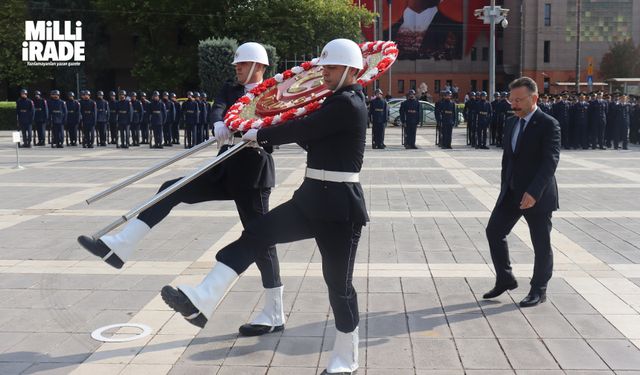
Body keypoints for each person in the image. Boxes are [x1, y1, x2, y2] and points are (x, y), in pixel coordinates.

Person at [161, 38, 367, 375]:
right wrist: (265, 118)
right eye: (324, 67)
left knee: (338, 285)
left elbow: (304, 128)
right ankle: (202, 298)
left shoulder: (348, 103)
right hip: (310, 197)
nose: (324, 73)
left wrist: (259, 132)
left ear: (351, 70)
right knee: (255, 234)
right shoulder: (331, 101)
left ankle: (347, 358)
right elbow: (305, 131)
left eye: (330, 68)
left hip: (340, 209)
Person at [78, 42, 284, 338]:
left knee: (260, 241)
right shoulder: (229, 87)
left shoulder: (273, 91)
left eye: (242, 64)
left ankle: (274, 311)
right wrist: (218, 123)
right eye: (237, 64)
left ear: (258, 66)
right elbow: (218, 107)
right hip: (224, 167)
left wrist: (260, 131)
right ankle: (120, 245)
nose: (236, 68)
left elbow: (279, 126)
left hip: (253, 173)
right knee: (170, 188)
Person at [484, 77, 560, 308]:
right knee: (494, 231)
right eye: (511, 99)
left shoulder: (548, 124)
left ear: (534, 98)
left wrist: (533, 192)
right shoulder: (511, 122)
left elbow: (550, 162)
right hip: (512, 192)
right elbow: (508, 160)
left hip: (537, 195)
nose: (513, 104)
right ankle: (505, 278)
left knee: (541, 243)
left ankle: (539, 289)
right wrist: (505, 187)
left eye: (518, 100)